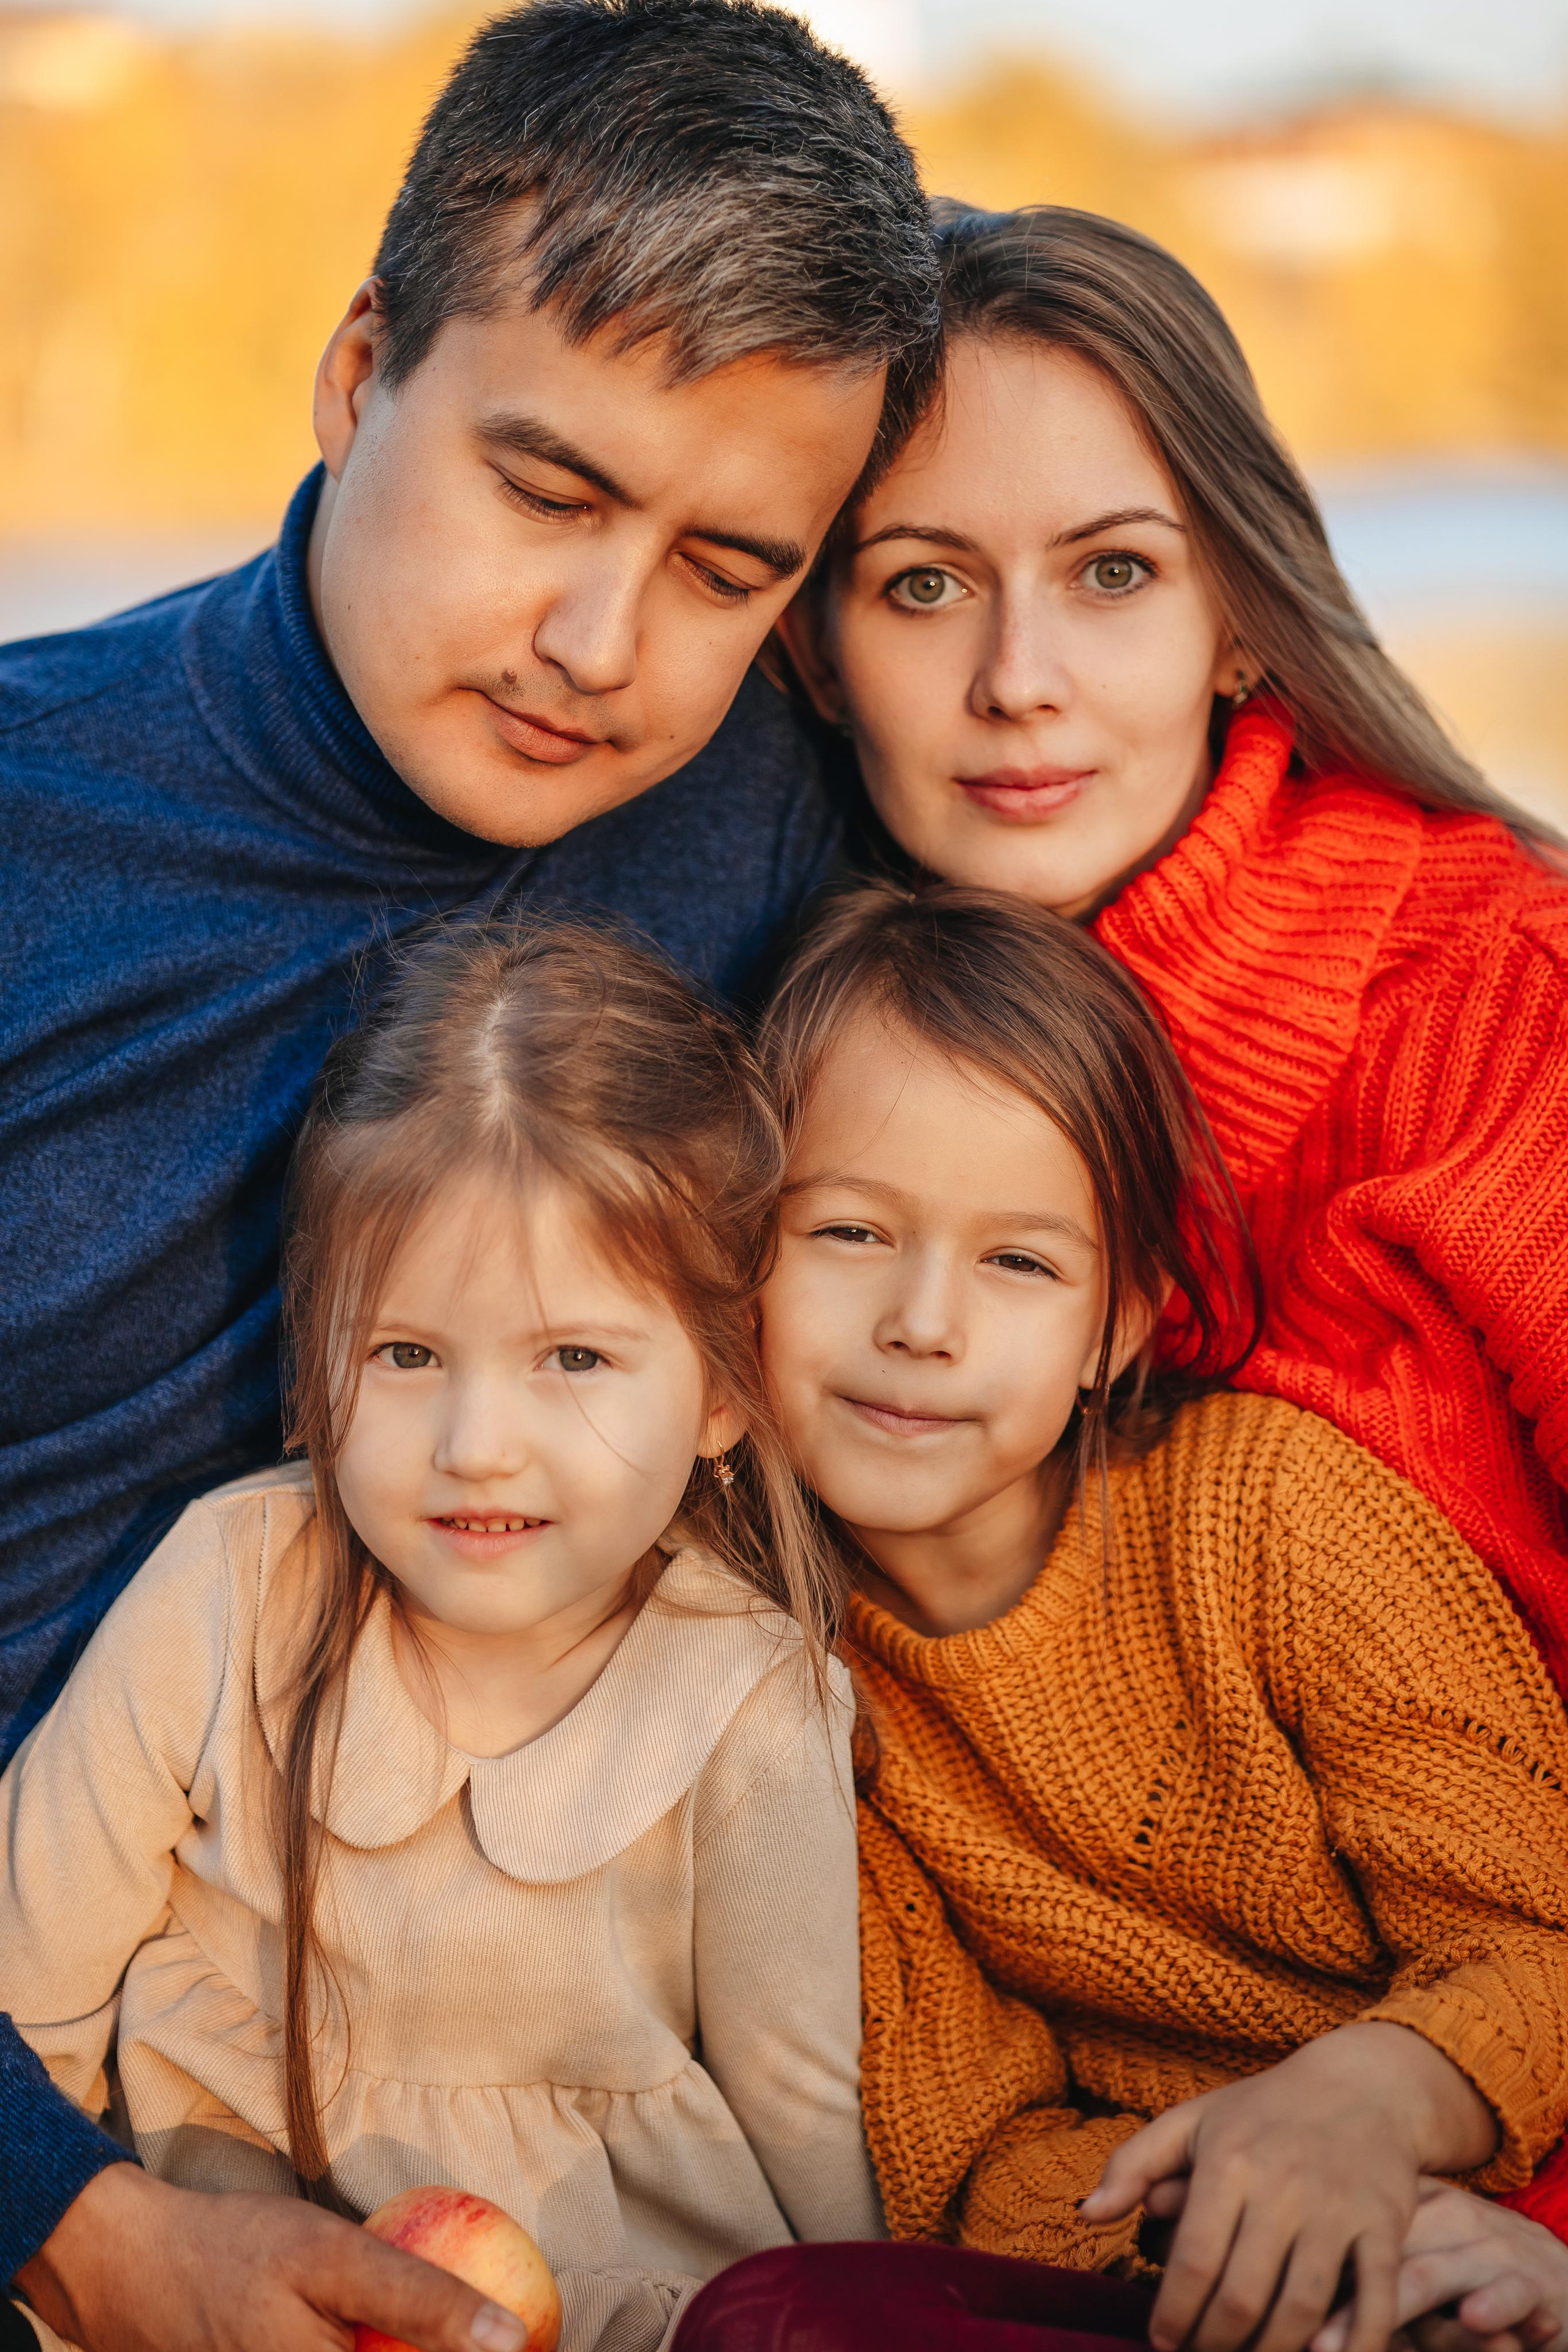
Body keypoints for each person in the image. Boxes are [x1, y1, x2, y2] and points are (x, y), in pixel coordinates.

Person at [0, 0, 937, 2331]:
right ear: (353, 377)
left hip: (523, 2140)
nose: (605, 646)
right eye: (547, 489)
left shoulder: (767, 826)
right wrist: (79, 2229)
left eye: (733, 565)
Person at [688, 881, 1568, 2352]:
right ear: (735, 1256)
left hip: (1460, 2173)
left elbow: (1536, 1934)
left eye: (1017, 1261)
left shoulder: (1269, 1517)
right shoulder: (775, 1682)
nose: (922, 1320)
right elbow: (974, 2149)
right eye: (846, 1232)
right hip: (1175, 2266)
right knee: (768, 2318)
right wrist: (1240, 2229)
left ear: (1120, 1321)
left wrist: (1367, 2113)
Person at [4, 918, 881, 2352]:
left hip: (613, 2314)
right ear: (317, 1354)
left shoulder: (747, 1695)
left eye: (575, 1358)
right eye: (404, 1355)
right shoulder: (228, 1588)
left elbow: (803, 2100)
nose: (478, 1447)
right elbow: (21, 1984)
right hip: (215, 2301)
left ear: (724, 1394)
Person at [774, 202, 1568, 1701]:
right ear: (818, 649)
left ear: (1238, 622)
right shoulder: (809, 1040)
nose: (1018, 681)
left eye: (1113, 574)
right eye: (923, 585)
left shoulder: (1508, 1006)